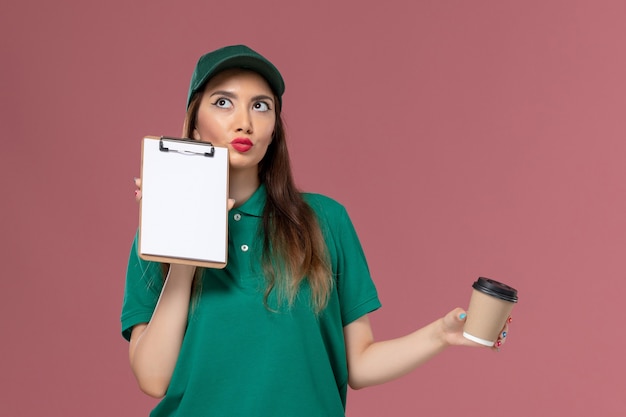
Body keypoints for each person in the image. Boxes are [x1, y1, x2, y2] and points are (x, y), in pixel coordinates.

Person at [121, 44, 510, 417]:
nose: (244, 121)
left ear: (274, 129)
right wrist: (187, 249)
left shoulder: (325, 221)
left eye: (261, 106)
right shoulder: (157, 234)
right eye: (223, 102)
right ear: (194, 121)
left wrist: (440, 335)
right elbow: (154, 379)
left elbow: (357, 363)